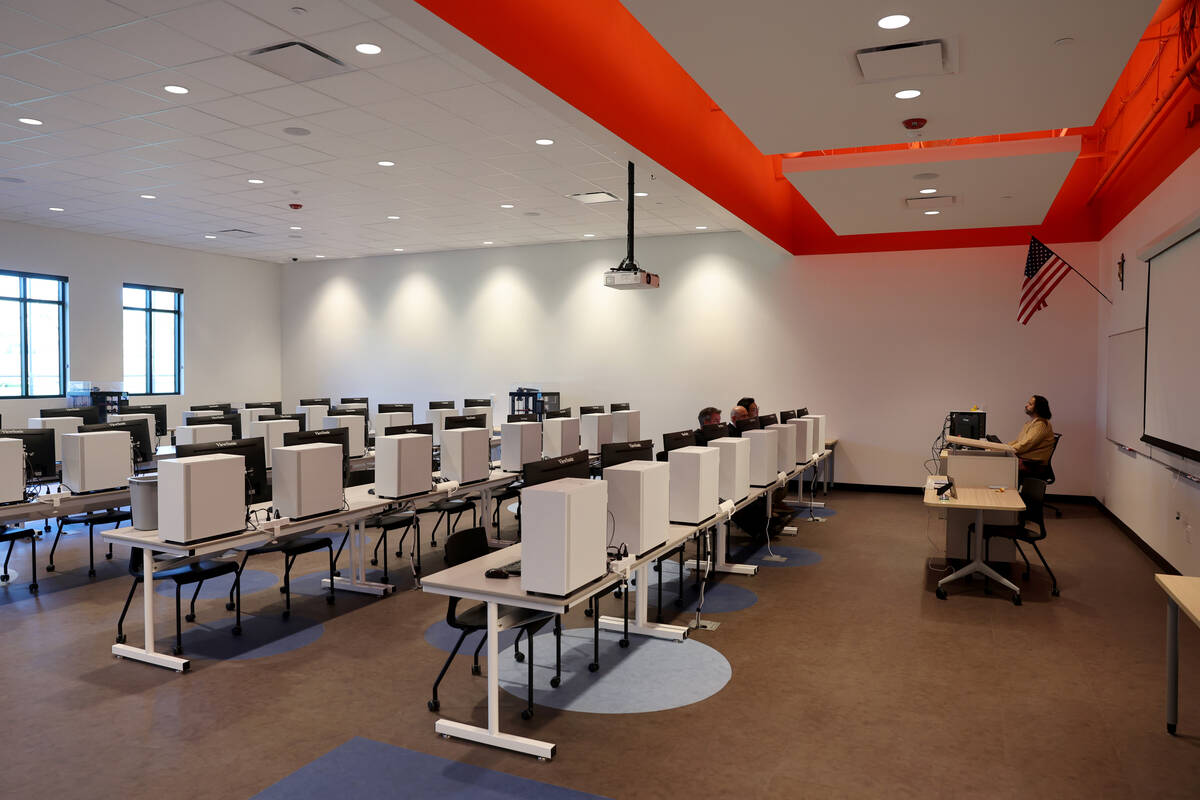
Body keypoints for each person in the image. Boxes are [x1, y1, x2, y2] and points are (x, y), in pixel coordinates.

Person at [1009, 394, 1055, 473]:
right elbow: (1020, 441)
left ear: (1038, 408)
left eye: (1030, 404)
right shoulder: (1030, 423)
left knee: (1001, 466)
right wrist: (1005, 447)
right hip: (1027, 461)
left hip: (1033, 465)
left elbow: (1027, 444)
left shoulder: (1041, 424)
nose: (1026, 406)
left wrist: (1008, 449)